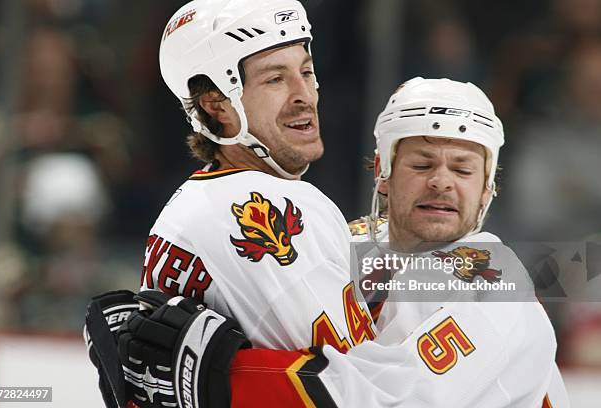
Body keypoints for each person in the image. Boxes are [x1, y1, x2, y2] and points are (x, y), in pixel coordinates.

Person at [114, 78, 570, 407]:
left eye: (464, 170)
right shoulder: (339, 242)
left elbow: (387, 400)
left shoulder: (496, 290)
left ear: (489, 189)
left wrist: (216, 380)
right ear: (382, 173)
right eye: (422, 163)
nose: (441, 183)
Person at [84, 1, 376, 407]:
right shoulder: (253, 206)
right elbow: (364, 388)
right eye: (276, 79)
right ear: (216, 105)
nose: (304, 95)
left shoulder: (196, 202)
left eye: (306, 71)